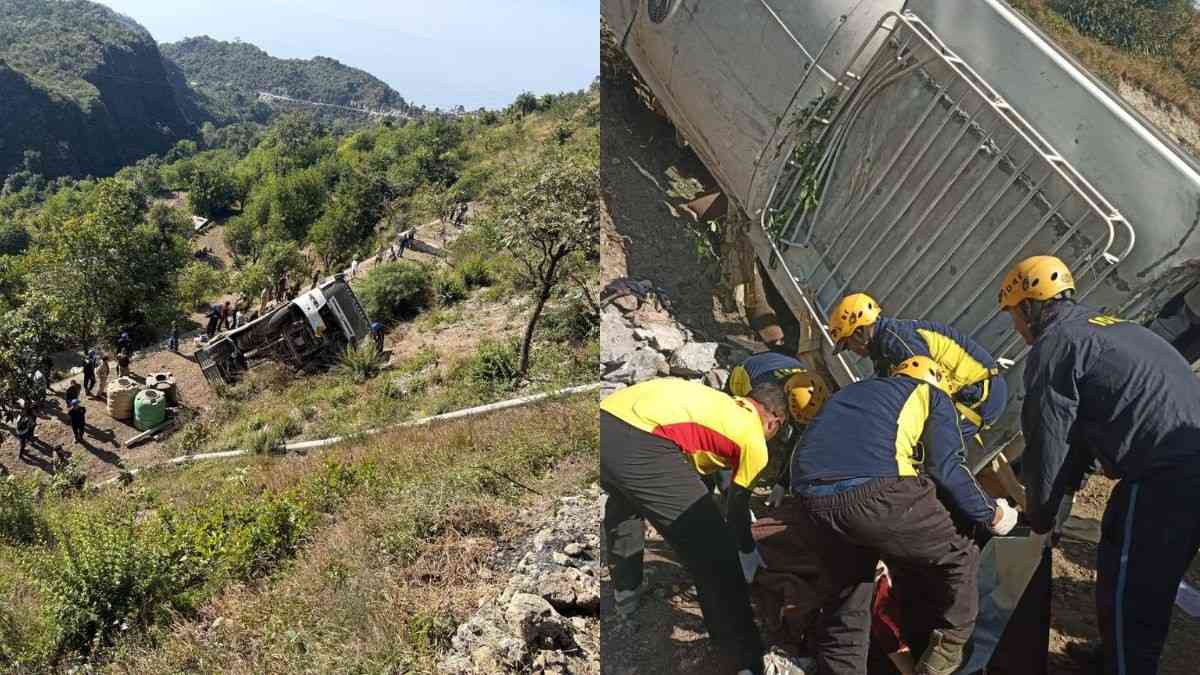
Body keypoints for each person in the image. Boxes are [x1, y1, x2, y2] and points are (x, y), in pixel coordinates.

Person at [998, 255, 1200, 674]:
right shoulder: (1101, 328)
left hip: (1167, 474)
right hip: (1180, 459)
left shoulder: (1055, 346)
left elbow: (1047, 440)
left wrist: (1041, 514)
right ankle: (1115, 653)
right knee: (1136, 567)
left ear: (1029, 307)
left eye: (1013, 315)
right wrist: (1066, 491)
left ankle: (1126, 663)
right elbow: (1084, 430)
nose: (1015, 328)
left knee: (1135, 584)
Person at [788, 356, 1017, 675]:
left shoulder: (854, 394)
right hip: (875, 492)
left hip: (809, 500)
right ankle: (944, 655)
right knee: (960, 553)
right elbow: (947, 467)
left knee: (849, 601)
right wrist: (992, 513)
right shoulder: (931, 395)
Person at [600, 377, 790, 675]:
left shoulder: (718, 404)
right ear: (773, 423)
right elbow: (736, 508)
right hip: (643, 438)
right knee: (715, 554)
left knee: (626, 501)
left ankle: (627, 593)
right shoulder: (754, 438)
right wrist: (746, 553)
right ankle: (745, 662)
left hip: (607, 418)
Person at [826, 292, 1007, 440]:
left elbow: (927, 387)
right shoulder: (882, 350)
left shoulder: (896, 340)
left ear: (859, 332)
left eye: (848, 344)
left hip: (981, 393)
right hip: (971, 394)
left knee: (933, 455)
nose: (851, 350)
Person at [726, 350, 831, 507]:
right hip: (746, 373)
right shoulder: (763, 393)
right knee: (743, 432)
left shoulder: (811, 389)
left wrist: (782, 483)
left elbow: (799, 441)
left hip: (780, 363)